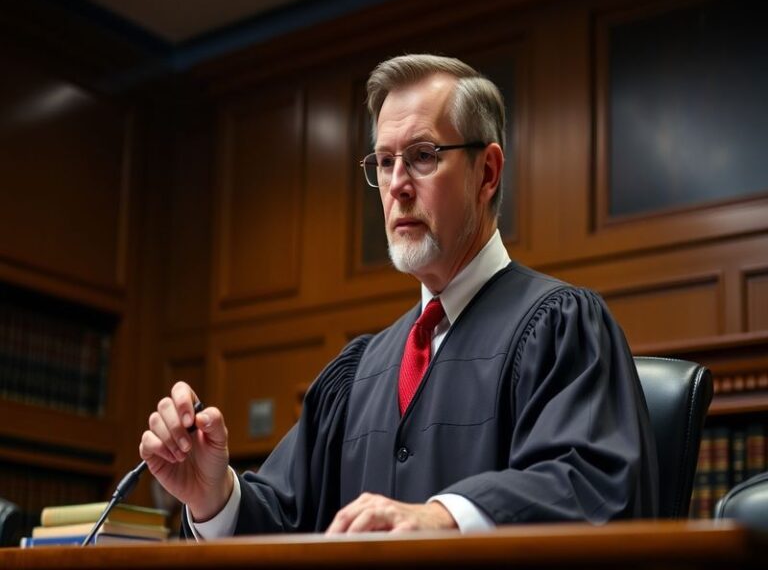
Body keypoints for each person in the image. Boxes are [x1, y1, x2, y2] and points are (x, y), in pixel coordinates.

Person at [140, 54, 659, 537]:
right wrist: (215, 495)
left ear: (488, 172)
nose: (397, 186)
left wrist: (445, 517)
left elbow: (592, 484)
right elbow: (288, 523)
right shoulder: (357, 372)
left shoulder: (562, 325)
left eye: (423, 156)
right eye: (385, 162)